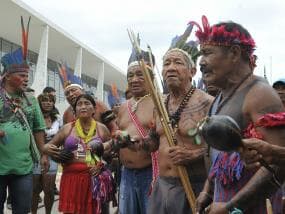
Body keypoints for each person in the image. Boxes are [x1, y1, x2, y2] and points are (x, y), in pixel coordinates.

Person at [191, 15, 285, 213]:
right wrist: (207, 191)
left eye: (207, 53)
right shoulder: (219, 98)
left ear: (234, 53)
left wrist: (231, 207)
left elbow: (278, 167)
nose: (201, 62)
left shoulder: (259, 94)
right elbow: (219, 157)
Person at [147, 25, 213, 214]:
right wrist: (131, 141)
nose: (170, 68)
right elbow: (153, 142)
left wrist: (195, 155)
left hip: (195, 187)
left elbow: (225, 149)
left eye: (177, 63)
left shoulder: (208, 103)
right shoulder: (159, 105)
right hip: (162, 185)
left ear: (192, 72)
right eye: (166, 64)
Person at [0, 17, 48, 214]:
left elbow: (38, 127)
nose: (26, 79)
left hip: (24, 166)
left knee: (22, 209)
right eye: (21, 75)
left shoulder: (30, 98)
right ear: (7, 76)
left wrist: (44, 152)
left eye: (28, 76)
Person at [44, 94, 116, 214]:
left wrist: (101, 164)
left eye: (87, 103)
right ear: (75, 110)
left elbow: (111, 153)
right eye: (79, 104)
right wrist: (55, 154)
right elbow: (48, 146)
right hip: (71, 180)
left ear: (94, 109)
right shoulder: (67, 128)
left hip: (94, 180)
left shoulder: (102, 129)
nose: (83, 106)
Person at [115, 47, 157, 214]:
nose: (134, 79)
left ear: (151, 78)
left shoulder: (160, 103)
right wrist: (104, 146)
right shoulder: (124, 107)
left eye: (140, 75)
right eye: (130, 76)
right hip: (126, 174)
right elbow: (117, 137)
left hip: (150, 174)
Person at [31, 93, 61, 214]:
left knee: (49, 190)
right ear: (39, 103)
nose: (47, 103)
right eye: (44, 100)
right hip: (35, 156)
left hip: (52, 157)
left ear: (53, 103)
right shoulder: (34, 117)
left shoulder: (58, 118)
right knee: (34, 189)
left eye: (50, 101)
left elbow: (62, 136)